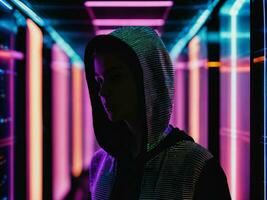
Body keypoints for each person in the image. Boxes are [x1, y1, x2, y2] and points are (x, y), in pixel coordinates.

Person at [84, 26, 231, 200]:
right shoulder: (100, 164)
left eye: (116, 77)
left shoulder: (195, 166)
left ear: (150, 79)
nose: (103, 91)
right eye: (99, 81)